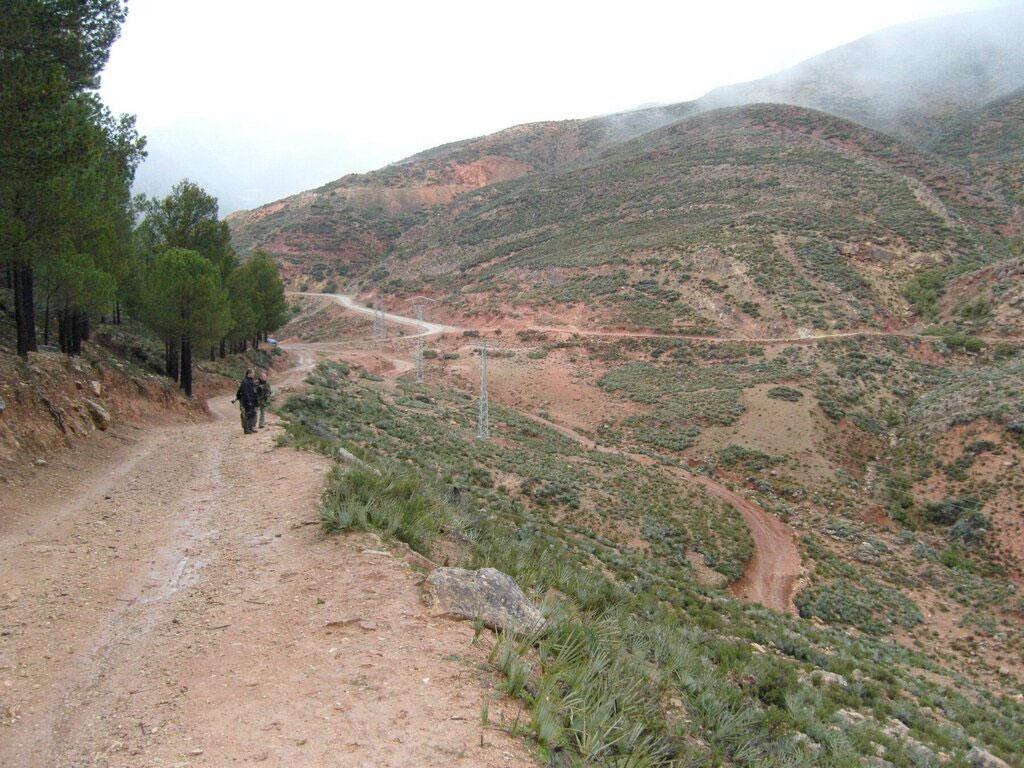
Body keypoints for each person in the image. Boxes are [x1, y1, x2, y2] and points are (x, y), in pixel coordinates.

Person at [234, 368, 258, 434]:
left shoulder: (251, 381)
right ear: (249, 374)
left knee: (252, 414)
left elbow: (253, 391)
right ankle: (246, 430)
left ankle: (250, 428)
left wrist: (255, 401)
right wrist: (248, 402)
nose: (254, 374)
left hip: (252, 400)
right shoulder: (245, 382)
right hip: (247, 401)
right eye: (253, 373)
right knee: (247, 415)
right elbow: (246, 393)